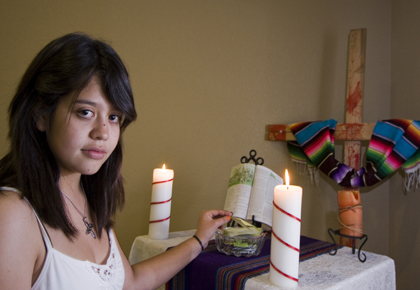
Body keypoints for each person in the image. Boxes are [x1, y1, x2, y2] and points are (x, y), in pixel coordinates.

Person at [0, 32, 231, 290]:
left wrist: (198, 240)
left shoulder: (87, 194)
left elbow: (129, 282)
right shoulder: (12, 215)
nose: (103, 132)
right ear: (41, 115)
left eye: (113, 117)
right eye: (85, 112)